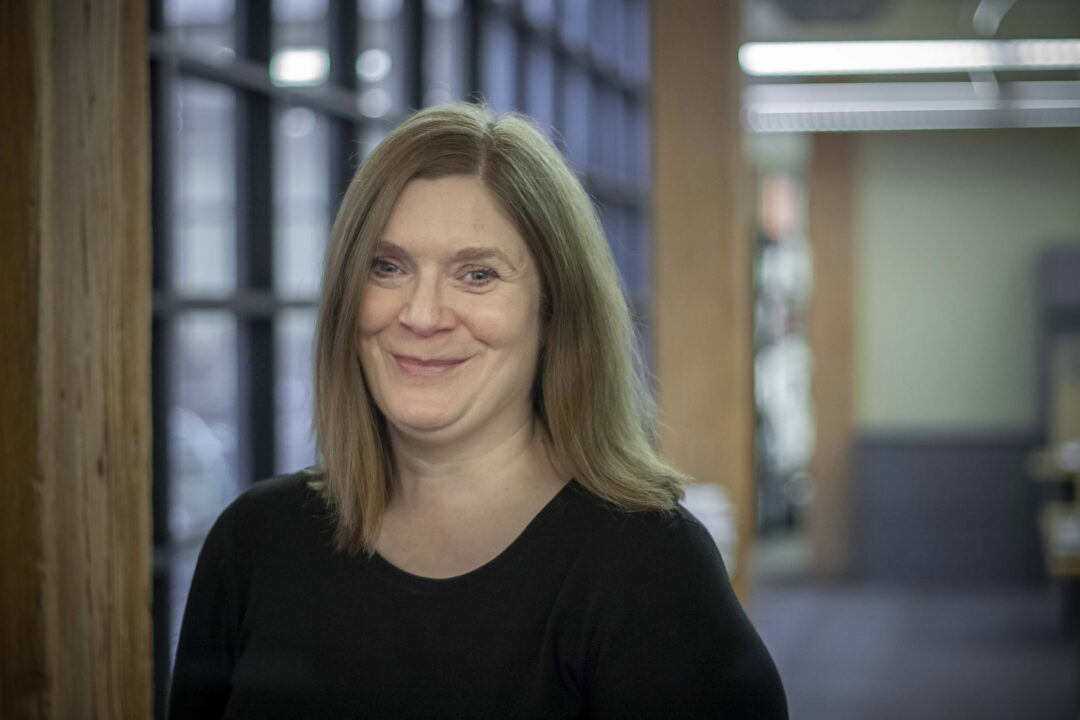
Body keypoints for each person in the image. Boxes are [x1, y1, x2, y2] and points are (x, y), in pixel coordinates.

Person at [168, 102, 787, 719]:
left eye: (477, 275)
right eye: (388, 267)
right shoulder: (255, 541)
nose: (422, 314)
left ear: (553, 312)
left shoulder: (653, 571)